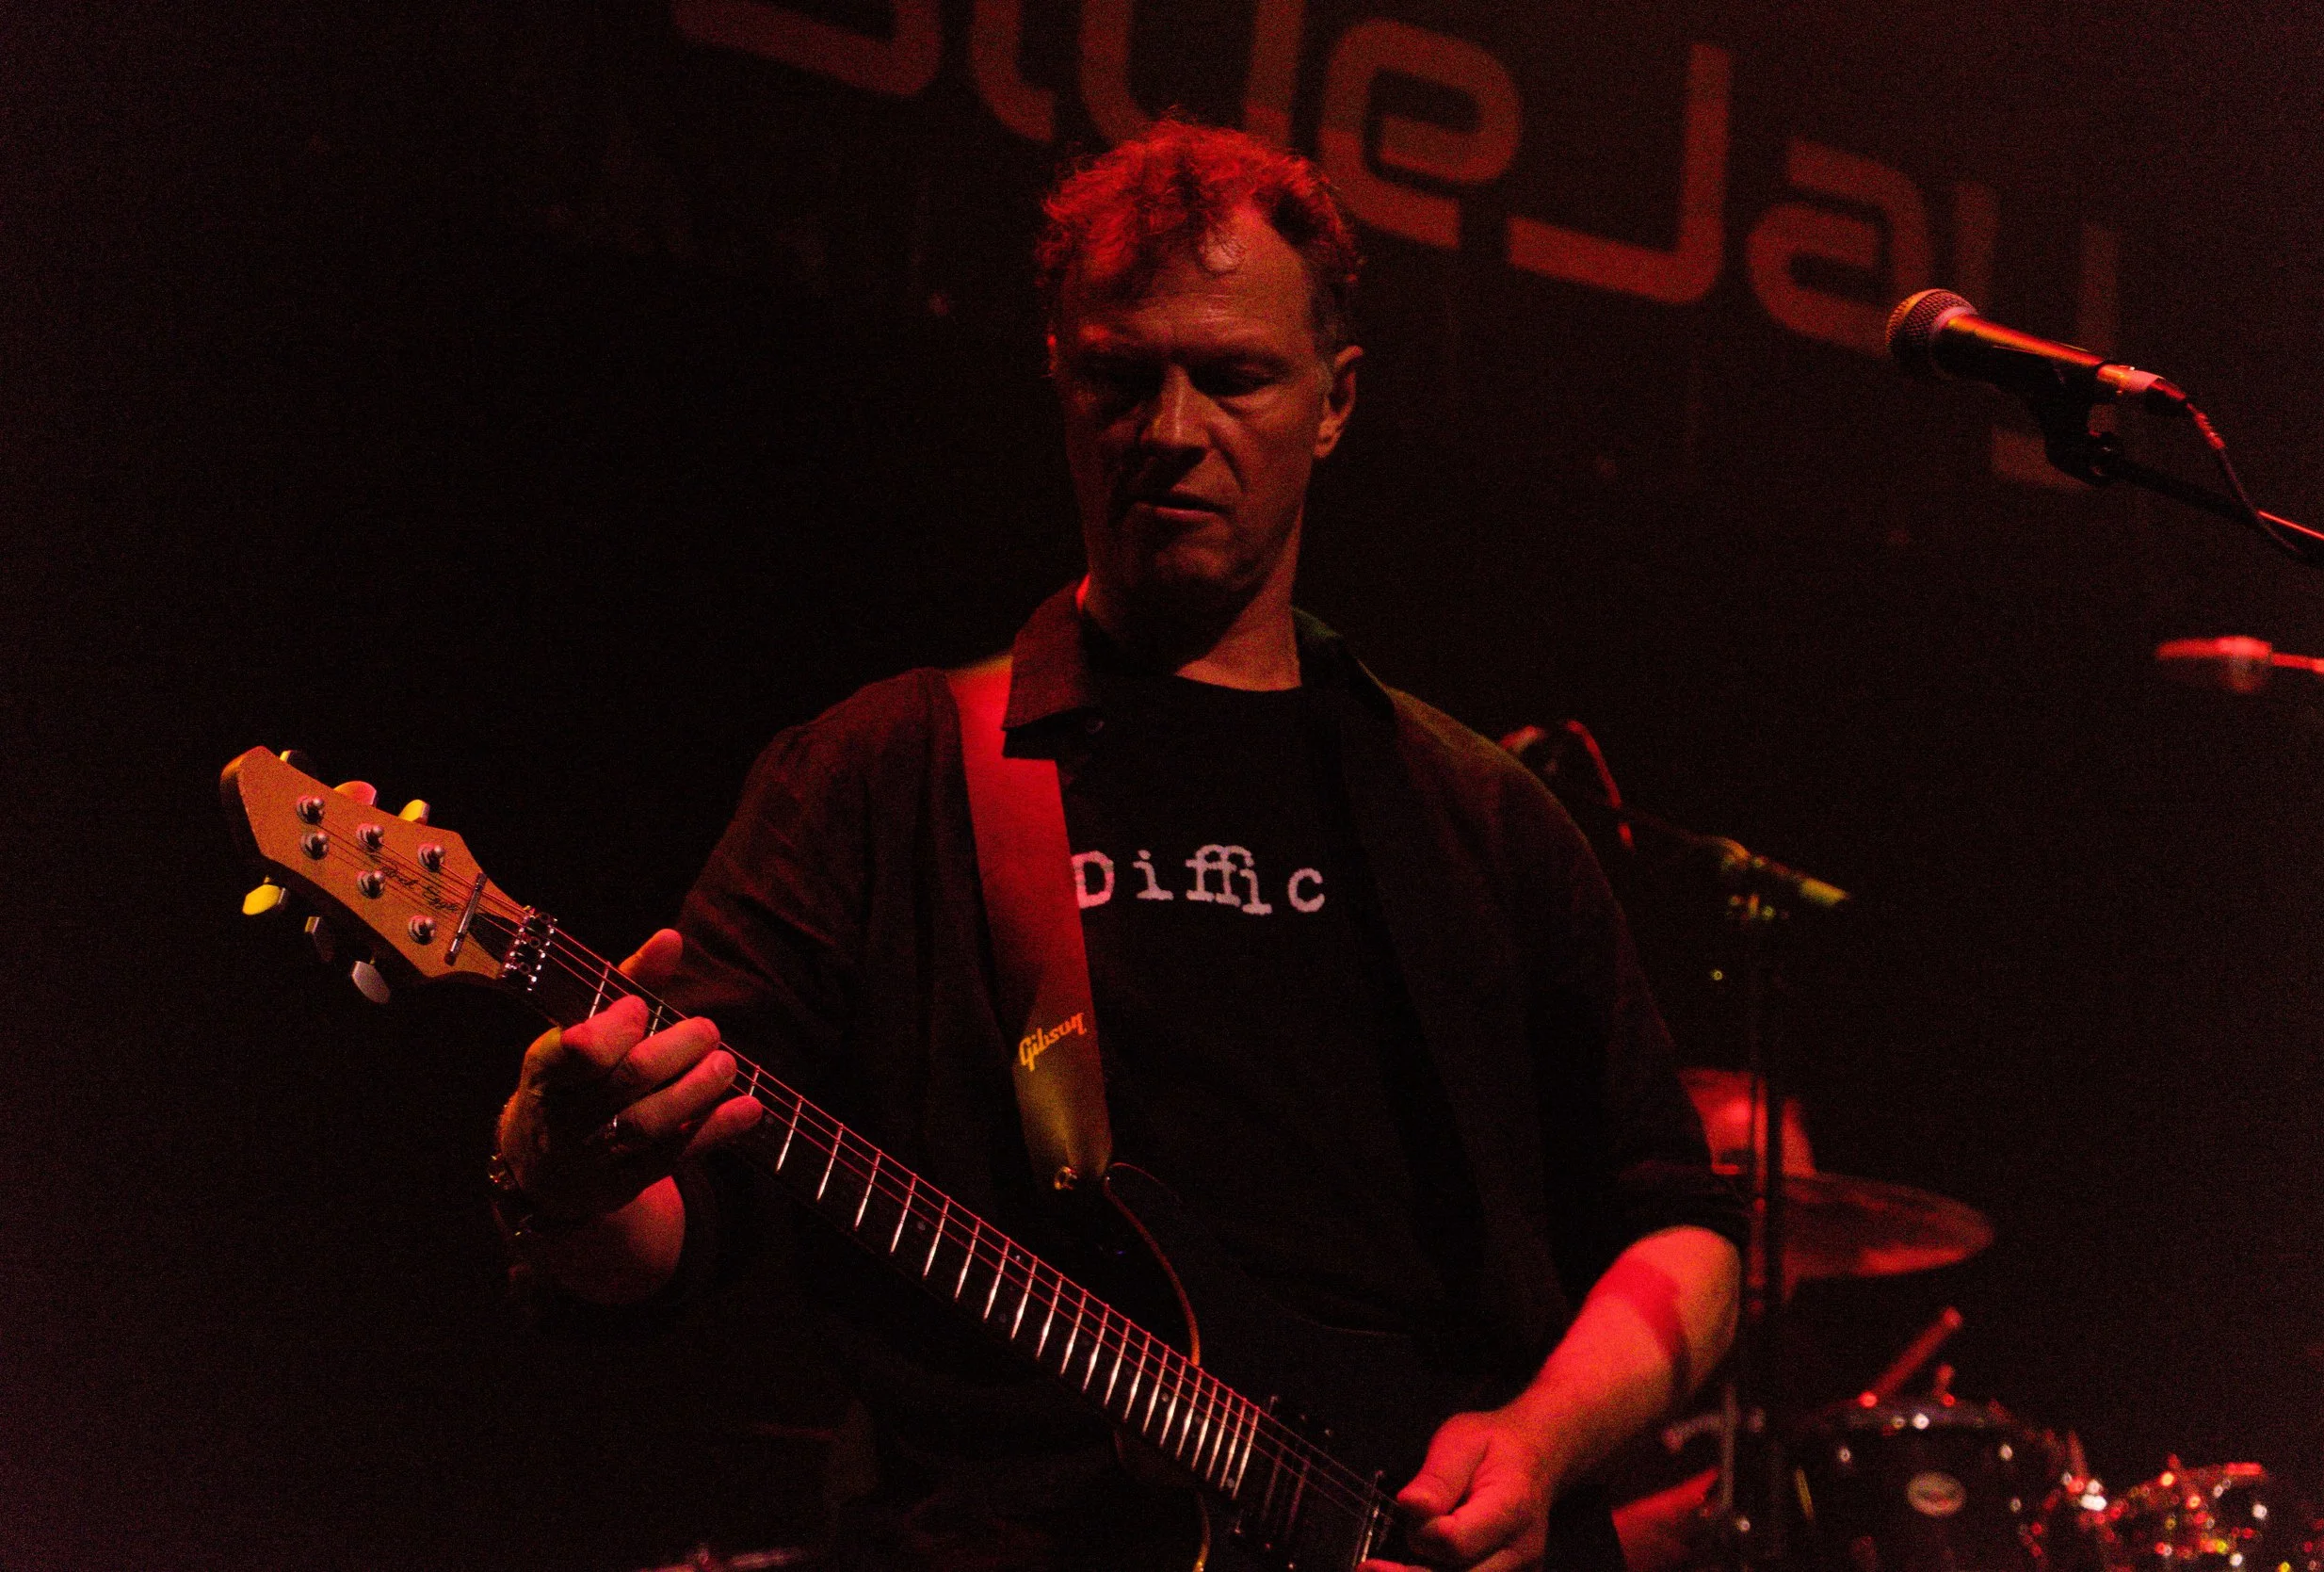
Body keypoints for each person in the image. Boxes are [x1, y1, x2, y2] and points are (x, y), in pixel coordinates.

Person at [488, 121, 1743, 1572]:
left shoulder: (1477, 818)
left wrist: (1541, 1445)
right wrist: (557, 1178)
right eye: (1120, 376)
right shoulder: (887, 775)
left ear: (1334, 404)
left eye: (1234, 377)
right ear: (1059, 382)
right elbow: (668, 1232)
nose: (1171, 429)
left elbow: (1683, 1236)